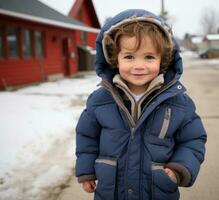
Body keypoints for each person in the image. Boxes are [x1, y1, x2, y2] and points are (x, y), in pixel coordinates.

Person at [75, 9, 207, 200]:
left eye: (149, 57)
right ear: (114, 59)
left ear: (163, 60)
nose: (139, 65)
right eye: (129, 57)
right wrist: (86, 169)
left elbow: (193, 140)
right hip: (111, 192)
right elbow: (87, 136)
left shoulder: (178, 102)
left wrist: (180, 167)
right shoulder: (100, 100)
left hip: (157, 191)